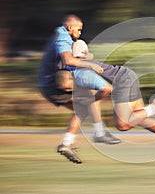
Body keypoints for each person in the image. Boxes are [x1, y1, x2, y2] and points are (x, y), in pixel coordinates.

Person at [64, 39, 155, 160]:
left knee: (123, 124)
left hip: (123, 80)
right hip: (126, 76)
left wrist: (92, 100)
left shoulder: (81, 73)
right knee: (139, 119)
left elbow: (106, 89)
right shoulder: (83, 68)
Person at [38, 15, 121, 164]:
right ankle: (99, 132)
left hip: (48, 86)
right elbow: (68, 60)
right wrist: (90, 64)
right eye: (79, 29)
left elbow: (70, 60)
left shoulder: (64, 37)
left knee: (82, 110)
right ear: (70, 27)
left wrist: (86, 58)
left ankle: (66, 144)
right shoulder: (62, 36)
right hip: (54, 85)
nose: (80, 33)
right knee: (94, 95)